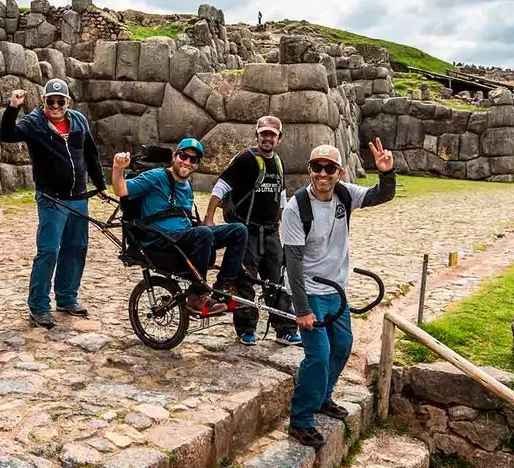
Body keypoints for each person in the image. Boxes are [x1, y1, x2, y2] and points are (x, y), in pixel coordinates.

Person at [282, 139, 396, 448]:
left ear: (339, 172)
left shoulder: (345, 194)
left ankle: (323, 397)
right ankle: (301, 420)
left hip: (336, 288)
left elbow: (381, 194)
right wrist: (302, 309)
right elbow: (292, 262)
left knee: (343, 345)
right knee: (318, 355)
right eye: (317, 167)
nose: (323, 174)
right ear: (309, 170)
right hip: (309, 290)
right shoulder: (297, 208)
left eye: (329, 168)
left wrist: (386, 173)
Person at [0, 78, 105, 329]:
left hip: (78, 198)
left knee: (76, 247)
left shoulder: (78, 120)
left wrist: (100, 185)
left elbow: (90, 153)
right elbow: (7, 135)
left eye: (61, 101)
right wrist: (14, 107)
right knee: (48, 251)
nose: (56, 105)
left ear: (68, 101)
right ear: (43, 101)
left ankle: (67, 298)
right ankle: (39, 306)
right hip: (51, 199)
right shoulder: (34, 123)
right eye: (51, 101)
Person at [112, 138, 248, 316]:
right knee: (203, 233)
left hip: (183, 237)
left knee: (238, 230)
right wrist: (117, 168)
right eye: (183, 156)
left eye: (193, 160)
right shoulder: (156, 176)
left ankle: (223, 286)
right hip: (160, 239)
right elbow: (121, 190)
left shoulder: (187, 186)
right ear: (174, 157)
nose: (187, 162)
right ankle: (196, 295)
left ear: (197, 165)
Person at [204, 116, 301, 347]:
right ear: (256, 135)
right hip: (246, 232)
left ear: (279, 138)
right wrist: (208, 218)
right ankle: (246, 329)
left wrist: (284, 226)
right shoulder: (245, 159)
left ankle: (285, 329)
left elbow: (282, 196)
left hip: (270, 233)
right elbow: (221, 186)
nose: (267, 138)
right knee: (245, 281)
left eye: (272, 134)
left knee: (277, 281)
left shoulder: (278, 162)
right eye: (263, 133)